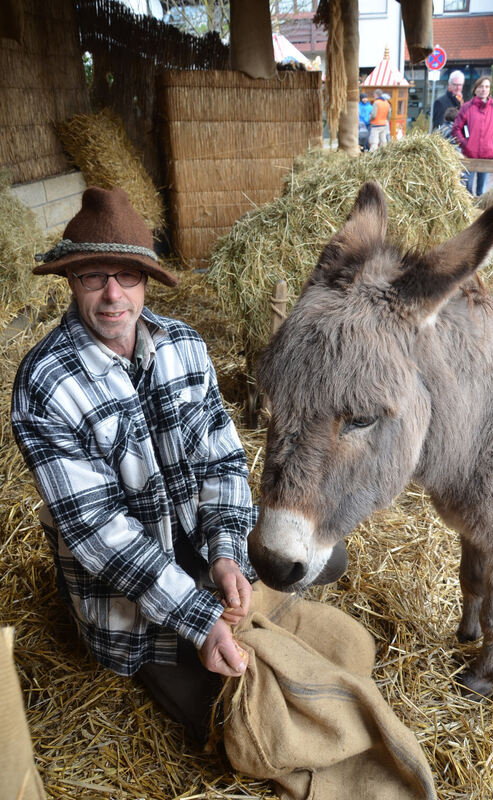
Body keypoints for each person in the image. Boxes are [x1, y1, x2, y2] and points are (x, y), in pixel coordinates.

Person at [10, 186, 258, 746]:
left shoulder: (185, 346)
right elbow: (101, 536)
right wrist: (200, 616)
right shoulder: (46, 385)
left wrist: (224, 552)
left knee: (319, 559)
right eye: (94, 276)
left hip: (196, 546)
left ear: (147, 280)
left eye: (126, 275)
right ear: (71, 283)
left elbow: (222, 457)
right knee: (226, 722)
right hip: (129, 601)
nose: (112, 295)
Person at [452, 75, 493, 196]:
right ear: (475, 89)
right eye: (481, 86)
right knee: (467, 189)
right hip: (469, 155)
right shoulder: (467, 107)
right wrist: (465, 144)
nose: (484, 89)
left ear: (490, 90)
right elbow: (456, 129)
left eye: (487, 87)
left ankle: (481, 214)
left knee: (482, 191)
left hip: (487, 155)